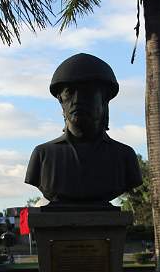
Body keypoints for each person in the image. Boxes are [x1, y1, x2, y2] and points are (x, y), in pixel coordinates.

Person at [25, 53, 142, 204]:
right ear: (60, 100)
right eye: (69, 92)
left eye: (88, 92)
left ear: (104, 100)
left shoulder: (124, 156)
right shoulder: (43, 155)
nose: (77, 101)